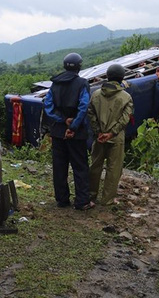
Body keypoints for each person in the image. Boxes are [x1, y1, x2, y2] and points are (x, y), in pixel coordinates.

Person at [43, 52, 93, 210]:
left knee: (59, 166)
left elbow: (48, 107)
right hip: (76, 133)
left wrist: (62, 120)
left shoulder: (55, 84)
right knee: (80, 166)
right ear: (79, 66)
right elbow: (83, 106)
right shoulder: (82, 83)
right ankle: (82, 201)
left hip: (58, 132)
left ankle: (62, 199)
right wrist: (73, 126)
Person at [87, 63, 134, 206]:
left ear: (107, 76)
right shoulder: (126, 97)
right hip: (116, 138)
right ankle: (107, 199)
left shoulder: (95, 94)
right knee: (114, 168)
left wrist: (99, 132)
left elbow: (90, 114)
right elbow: (125, 118)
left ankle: (90, 195)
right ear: (122, 78)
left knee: (95, 166)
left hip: (99, 137)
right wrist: (111, 133)